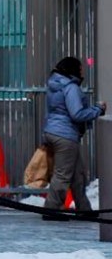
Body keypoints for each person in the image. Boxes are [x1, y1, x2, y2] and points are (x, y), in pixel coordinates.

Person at [41, 56, 105, 220]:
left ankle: (84, 209)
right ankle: (52, 210)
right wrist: (97, 110)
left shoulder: (54, 85)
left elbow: (51, 111)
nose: (82, 71)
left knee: (77, 175)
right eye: (80, 68)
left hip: (53, 131)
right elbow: (77, 114)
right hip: (65, 135)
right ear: (73, 69)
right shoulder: (71, 87)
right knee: (63, 175)